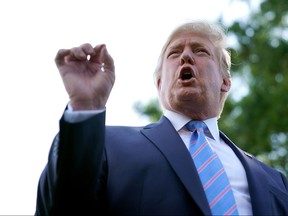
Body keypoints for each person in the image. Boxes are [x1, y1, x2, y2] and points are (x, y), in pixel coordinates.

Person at [35, 21, 288, 215]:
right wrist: (86, 105)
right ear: (159, 82)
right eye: (174, 53)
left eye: (200, 51)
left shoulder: (276, 181)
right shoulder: (105, 145)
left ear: (225, 81)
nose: (186, 56)